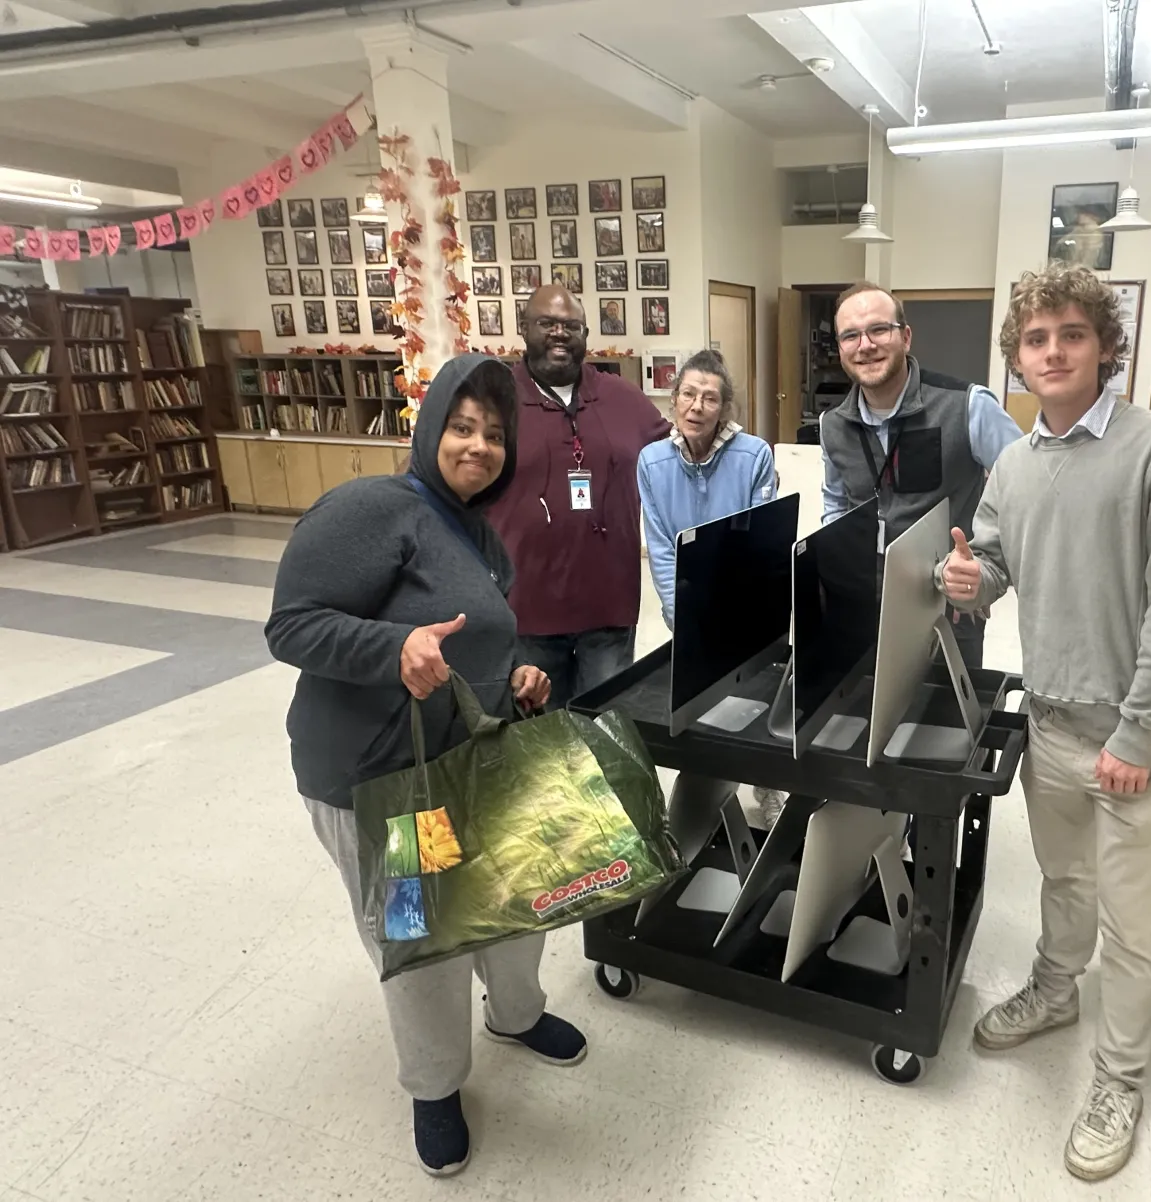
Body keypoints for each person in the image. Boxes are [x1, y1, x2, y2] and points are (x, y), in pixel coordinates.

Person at [265, 354, 589, 1179]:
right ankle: (436, 1086)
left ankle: (515, 1016)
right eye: (462, 426)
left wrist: (513, 678)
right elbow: (292, 626)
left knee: (516, 904)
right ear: (429, 426)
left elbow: (472, 639)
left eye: (493, 433)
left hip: (466, 765)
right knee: (425, 942)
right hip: (386, 782)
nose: (478, 445)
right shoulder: (375, 508)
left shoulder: (477, 532)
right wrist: (391, 647)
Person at [939, 263, 1151, 1182]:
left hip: (1133, 735)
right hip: (1050, 722)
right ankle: (1055, 993)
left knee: (1133, 925)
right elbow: (993, 557)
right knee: (1065, 881)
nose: (1052, 352)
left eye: (1071, 334)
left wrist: (1140, 735)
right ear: (1017, 358)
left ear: (1104, 345)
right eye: (1034, 339)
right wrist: (972, 581)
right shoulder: (1015, 461)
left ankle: (1119, 1078)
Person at [819, 281, 1021, 671]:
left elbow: (1028, 493)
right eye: (850, 335)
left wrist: (988, 571)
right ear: (841, 348)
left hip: (948, 607)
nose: (866, 345)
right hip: (865, 606)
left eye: (879, 329)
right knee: (868, 719)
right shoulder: (833, 425)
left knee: (945, 725)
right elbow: (835, 502)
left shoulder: (968, 406)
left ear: (905, 336)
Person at [487, 284, 670, 708]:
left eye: (571, 325)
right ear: (524, 329)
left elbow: (677, 454)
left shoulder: (621, 397)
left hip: (608, 607)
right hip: (526, 610)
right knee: (542, 745)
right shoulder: (497, 398)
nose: (559, 333)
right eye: (547, 323)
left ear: (586, 334)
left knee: (604, 736)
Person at [637, 348, 777, 630]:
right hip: (685, 613)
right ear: (675, 398)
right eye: (688, 394)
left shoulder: (754, 456)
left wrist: (737, 615)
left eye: (710, 398)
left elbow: (761, 545)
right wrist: (683, 619)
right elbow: (662, 551)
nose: (696, 406)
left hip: (742, 610)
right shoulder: (652, 462)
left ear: (725, 408)